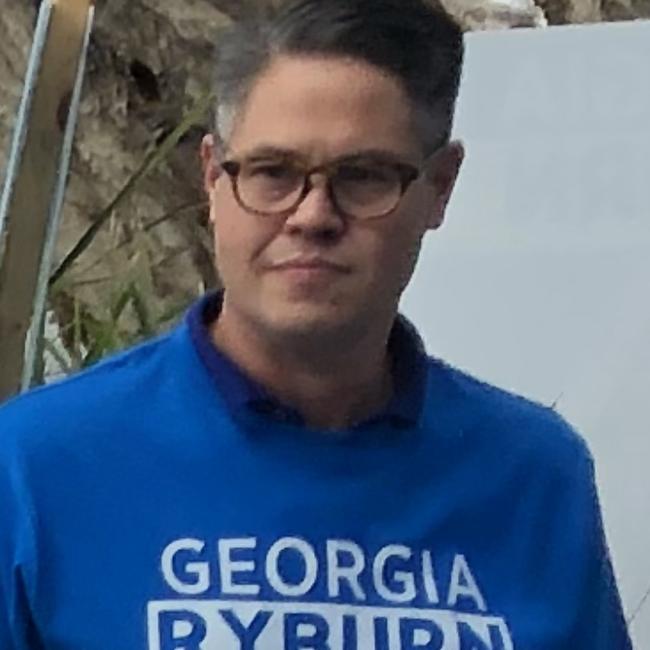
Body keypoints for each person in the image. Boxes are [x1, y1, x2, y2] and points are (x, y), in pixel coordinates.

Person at [0, 0, 632, 648]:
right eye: (274, 172)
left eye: (362, 177)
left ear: (440, 187)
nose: (313, 216)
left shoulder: (533, 478)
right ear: (213, 177)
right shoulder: (37, 468)